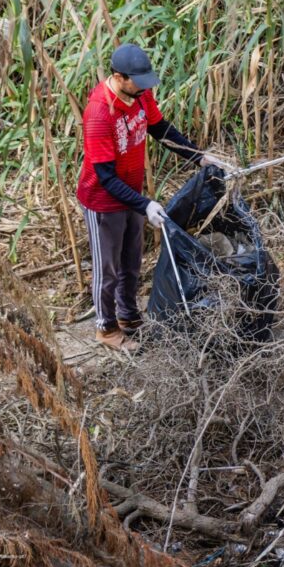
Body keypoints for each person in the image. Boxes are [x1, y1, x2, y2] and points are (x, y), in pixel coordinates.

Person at [77, 43, 224, 350]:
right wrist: (145, 204)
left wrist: (198, 157)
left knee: (132, 261)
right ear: (119, 77)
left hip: (131, 194)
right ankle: (106, 330)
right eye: (137, 82)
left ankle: (129, 316)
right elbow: (104, 177)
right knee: (108, 270)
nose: (144, 89)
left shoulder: (140, 96)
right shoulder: (99, 113)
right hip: (104, 201)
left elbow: (161, 129)